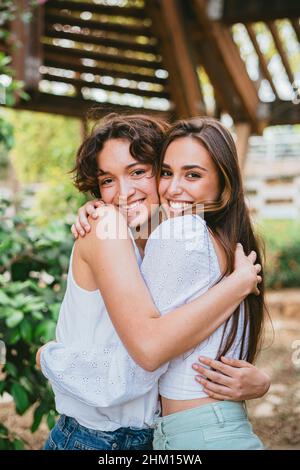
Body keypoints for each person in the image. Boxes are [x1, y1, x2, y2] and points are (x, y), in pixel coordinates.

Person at [38, 114, 268, 451]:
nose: (123, 193)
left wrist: (260, 381)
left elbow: (191, 348)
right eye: (107, 180)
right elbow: (143, 357)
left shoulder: (166, 242)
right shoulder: (107, 228)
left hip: (153, 438)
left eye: (137, 172)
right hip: (96, 439)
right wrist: (49, 358)